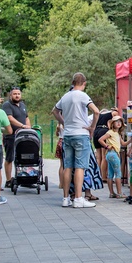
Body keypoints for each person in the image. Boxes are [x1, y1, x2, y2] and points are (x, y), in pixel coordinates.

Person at [53, 73, 100, 209]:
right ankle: (79, 198)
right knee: (80, 167)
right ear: (84, 83)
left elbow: (55, 111)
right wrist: (92, 128)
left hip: (68, 135)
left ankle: (65, 198)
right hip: (81, 134)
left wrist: (64, 123)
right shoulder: (83, 96)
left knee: (68, 166)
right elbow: (96, 112)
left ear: (73, 82)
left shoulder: (65, 96)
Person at [2, 86, 31, 188]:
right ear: (10, 95)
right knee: (10, 158)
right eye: (15, 94)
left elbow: (26, 117)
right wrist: (22, 126)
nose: (17, 95)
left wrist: (29, 128)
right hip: (11, 135)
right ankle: (8, 180)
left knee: (24, 157)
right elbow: (10, 118)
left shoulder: (22, 105)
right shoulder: (7, 105)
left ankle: (25, 178)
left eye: (18, 94)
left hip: (23, 135)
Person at [98, 114, 126, 198]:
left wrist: (131, 139)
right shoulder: (110, 132)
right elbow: (100, 139)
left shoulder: (118, 134)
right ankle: (119, 193)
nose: (118, 123)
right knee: (118, 173)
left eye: (120, 122)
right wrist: (106, 146)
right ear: (112, 123)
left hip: (110, 154)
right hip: (113, 153)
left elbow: (123, 143)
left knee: (110, 174)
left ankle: (111, 193)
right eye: (116, 122)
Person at [93, 107, 116, 182]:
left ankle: (97, 175)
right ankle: (103, 176)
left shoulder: (97, 116)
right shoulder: (108, 115)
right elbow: (115, 113)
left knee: (98, 157)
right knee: (104, 157)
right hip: (103, 132)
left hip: (95, 132)